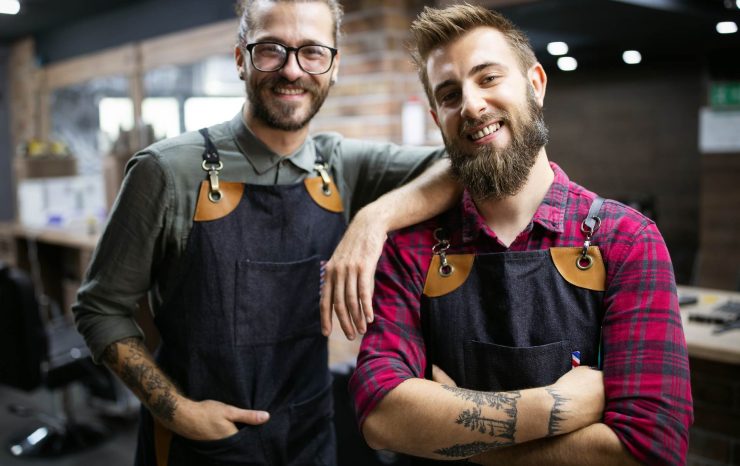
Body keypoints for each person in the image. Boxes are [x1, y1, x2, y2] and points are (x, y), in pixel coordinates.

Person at [72, 1, 459, 464]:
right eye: (271, 50)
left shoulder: (339, 164)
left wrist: (372, 219)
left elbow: (462, 167)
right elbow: (99, 309)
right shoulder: (167, 171)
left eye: (313, 52)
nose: (292, 70)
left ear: (334, 66)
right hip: (201, 444)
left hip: (311, 436)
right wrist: (177, 411)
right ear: (240, 58)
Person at [350, 4, 693, 466]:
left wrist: (451, 437)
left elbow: (651, 448)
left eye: (488, 78)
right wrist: (555, 406)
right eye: (450, 95)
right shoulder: (411, 249)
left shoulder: (626, 241)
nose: (471, 105)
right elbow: (382, 416)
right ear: (437, 119)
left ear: (536, 84)